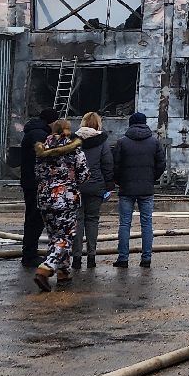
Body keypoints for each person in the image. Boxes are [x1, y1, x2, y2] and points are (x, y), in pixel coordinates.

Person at [31, 118, 86, 292]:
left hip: (44, 198)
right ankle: (45, 269)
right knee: (66, 236)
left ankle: (64, 272)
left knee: (54, 235)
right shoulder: (75, 152)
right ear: (68, 131)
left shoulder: (42, 151)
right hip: (66, 199)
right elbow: (83, 175)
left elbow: (37, 174)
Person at [110, 111, 167, 269]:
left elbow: (115, 166)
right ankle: (146, 259)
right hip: (146, 189)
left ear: (130, 124)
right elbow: (161, 165)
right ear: (145, 123)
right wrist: (151, 179)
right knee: (147, 224)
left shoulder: (122, 142)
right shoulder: (154, 142)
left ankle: (123, 259)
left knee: (124, 224)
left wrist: (120, 181)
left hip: (126, 189)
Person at [18, 107, 58, 268]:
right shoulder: (39, 135)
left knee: (34, 218)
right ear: (52, 121)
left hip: (31, 182)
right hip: (36, 183)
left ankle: (29, 252)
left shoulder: (35, 132)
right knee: (35, 219)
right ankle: (29, 254)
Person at [75, 111, 115, 270]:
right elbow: (107, 164)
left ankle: (76, 258)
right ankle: (91, 257)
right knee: (92, 220)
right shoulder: (102, 142)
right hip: (96, 186)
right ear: (98, 124)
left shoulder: (73, 140)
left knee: (77, 221)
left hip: (76, 186)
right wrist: (109, 185)